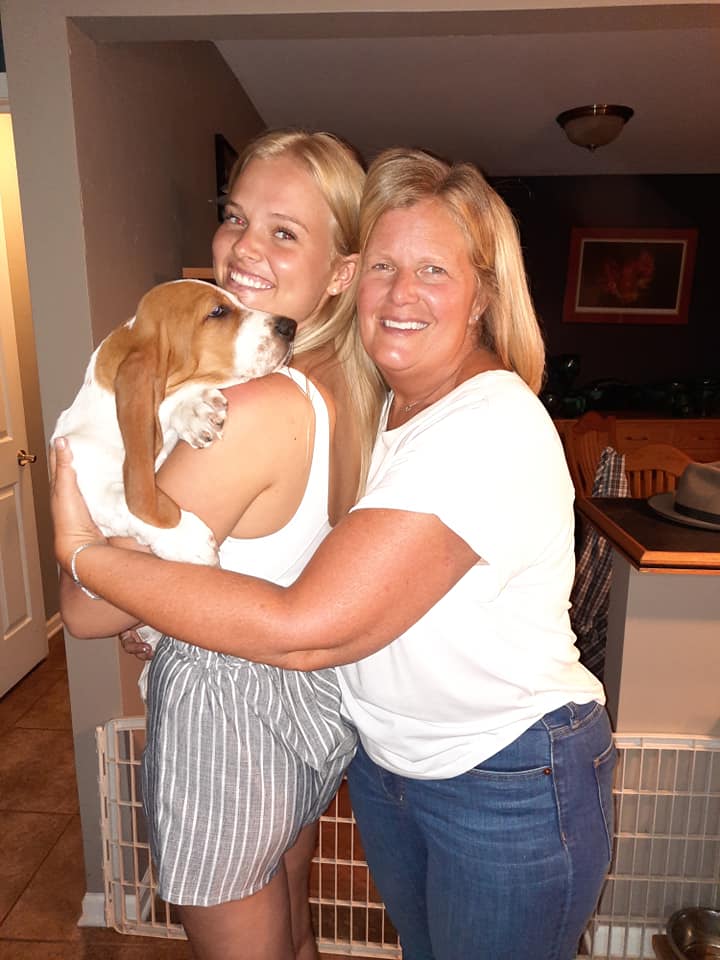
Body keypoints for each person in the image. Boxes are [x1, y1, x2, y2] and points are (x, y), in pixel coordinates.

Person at [53, 146, 616, 960]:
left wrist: (81, 552)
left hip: (505, 778)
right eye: (387, 264)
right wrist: (174, 602)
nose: (400, 293)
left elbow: (285, 623)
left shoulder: (477, 423)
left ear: (485, 294)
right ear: (358, 277)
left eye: (433, 270)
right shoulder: (379, 402)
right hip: (390, 766)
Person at [56, 128, 385, 960]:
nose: (242, 248)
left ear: (343, 271)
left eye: (285, 231)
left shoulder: (246, 413)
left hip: (226, 724)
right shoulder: (339, 384)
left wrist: (79, 545)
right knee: (295, 932)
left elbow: (84, 614)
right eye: (236, 217)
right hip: (305, 712)